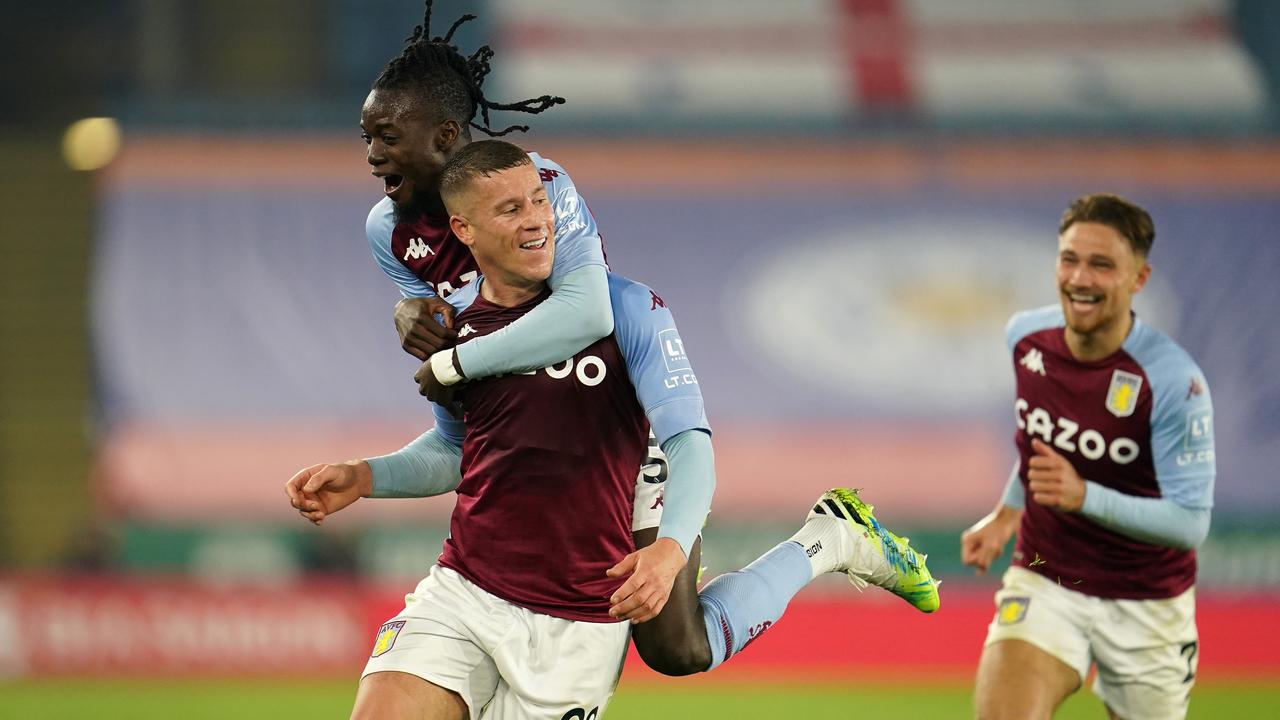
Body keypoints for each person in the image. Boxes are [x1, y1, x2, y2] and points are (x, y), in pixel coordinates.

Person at [352, 1, 938, 680]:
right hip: (534, 429)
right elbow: (450, 361)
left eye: (387, 137)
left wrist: (455, 360)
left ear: (446, 135)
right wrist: (412, 315)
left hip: (612, 422)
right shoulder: (386, 232)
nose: (371, 155)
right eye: (367, 136)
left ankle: (831, 539)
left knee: (676, 648)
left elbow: (585, 315)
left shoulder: (536, 185)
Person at [287, 142, 938, 718]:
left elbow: (691, 445)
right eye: (510, 210)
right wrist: (368, 475)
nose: (537, 218)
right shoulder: (455, 329)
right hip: (466, 592)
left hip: (591, 577)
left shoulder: (627, 309)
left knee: (681, 648)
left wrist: (671, 547)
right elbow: (456, 452)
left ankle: (828, 540)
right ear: (463, 229)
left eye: (539, 200)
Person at [960, 194, 1215, 720]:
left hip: (1147, 602)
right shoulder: (1026, 339)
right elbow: (1040, 444)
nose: (1080, 278)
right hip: (1047, 575)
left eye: (1101, 265)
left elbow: (1190, 523)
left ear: (1138, 279)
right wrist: (1007, 515)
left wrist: (1085, 496)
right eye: (1069, 259)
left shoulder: (1172, 381)